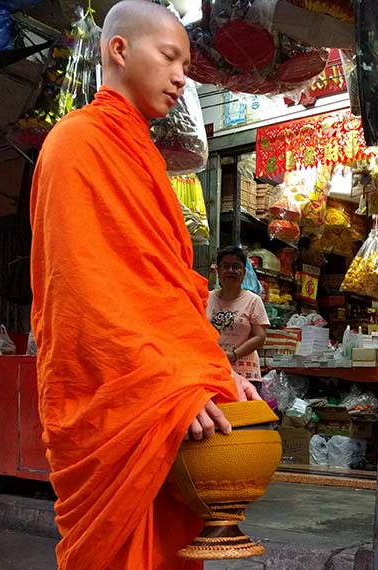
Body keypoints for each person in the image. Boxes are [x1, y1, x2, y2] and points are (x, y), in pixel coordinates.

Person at [29, 2, 259, 568]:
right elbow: (84, 296)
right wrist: (167, 383)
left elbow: (166, 293)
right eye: (170, 56)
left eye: (186, 62)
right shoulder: (75, 144)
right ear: (120, 50)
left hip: (163, 400)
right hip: (116, 405)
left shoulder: (147, 159)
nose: (183, 76)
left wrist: (214, 369)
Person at [207, 246, 270, 384]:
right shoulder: (206, 298)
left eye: (236, 266)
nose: (230, 270)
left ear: (244, 272)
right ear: (218, 270)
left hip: (246, 375)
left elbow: (260, 337)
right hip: (214, 371)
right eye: (225, 266)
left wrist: (234, 355)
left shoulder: (253, 300)